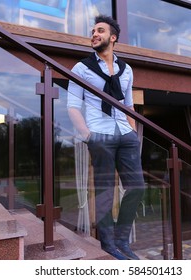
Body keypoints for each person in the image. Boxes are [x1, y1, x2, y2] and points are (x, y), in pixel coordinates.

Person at [67, 15, 145, 260]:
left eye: (99, 30)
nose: (94, 34)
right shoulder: (81, 68)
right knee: (105, 191)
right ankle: (108, 243)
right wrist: (88, 135)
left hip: (125, 134)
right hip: (99, 133)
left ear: (113, 38)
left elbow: (129, 105)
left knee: (137, 187)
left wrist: (133, 132)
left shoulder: (126, 69)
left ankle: (123, 240)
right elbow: (72, 106)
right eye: (92, 31)